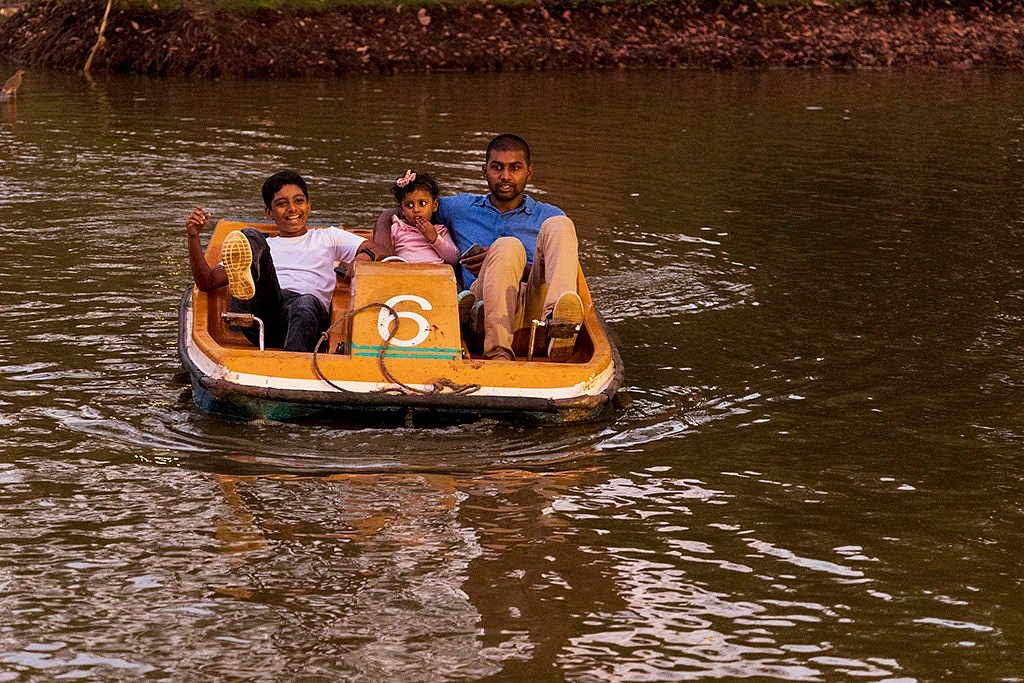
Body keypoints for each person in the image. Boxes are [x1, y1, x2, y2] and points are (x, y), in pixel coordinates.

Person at [375, 134, 582, 362]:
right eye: (497, 168)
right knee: (506, 247)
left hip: (535, 310)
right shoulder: (460, 208)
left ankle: (560, 324)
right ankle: (499, 353)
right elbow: (395, 212)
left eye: (515, 168)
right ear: (484, 171)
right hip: (482, 308)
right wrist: (382, 249)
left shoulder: (548, 214)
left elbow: (560, 260)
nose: (505, 176)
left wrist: (516, 268)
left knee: (561, 225)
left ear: (529, 172)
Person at [186, 170, 383, 352]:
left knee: (303, 303)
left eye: (299, 201)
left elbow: (379, 250)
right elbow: (207, 282)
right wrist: (193, 237)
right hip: (264, 318)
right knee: (250, 237)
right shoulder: (260, 246)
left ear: (309, 205)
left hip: (309, 320)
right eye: (281, 204)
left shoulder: (329, 237)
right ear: (269, 213)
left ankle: (293, 364)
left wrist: (362, 258)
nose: (292, 209)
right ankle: (243, 297)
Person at [387, 170, 460, 265]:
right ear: (402, 210)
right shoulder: (397, 229)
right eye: (409, 205)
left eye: (422, 203)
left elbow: (454, 259)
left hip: (437, 276)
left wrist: (434, 238)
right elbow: (388, 255)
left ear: (434, 206)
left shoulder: (440, 231)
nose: (416, 210)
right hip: (406, 275)